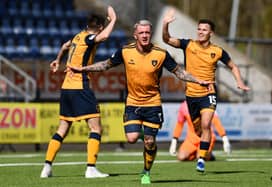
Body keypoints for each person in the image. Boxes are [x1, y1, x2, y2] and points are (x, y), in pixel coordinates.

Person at [68, 19, 213, 184]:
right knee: (131, 138)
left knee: (150, 143)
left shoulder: (161, 53)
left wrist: (198, 81)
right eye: (142, 33)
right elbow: (106, 64)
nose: (145, 35)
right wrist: (84, 68)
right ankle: (147, 137)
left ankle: (146, 171)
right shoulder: (125, 51)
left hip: (153, 103)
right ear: (135, 34)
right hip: (133, 103)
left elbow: (179, 72)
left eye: (147, 33)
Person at [162, 8, 250, 172]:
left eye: (204, 30)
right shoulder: (188, 44)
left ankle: (201, 159)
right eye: (199, 29)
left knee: (206, 124)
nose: (201, 32)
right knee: (198, 130)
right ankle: (206, 151)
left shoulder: (217, 51)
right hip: (191, 95)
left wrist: (239, 82)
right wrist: (165, 24)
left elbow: (233, 66)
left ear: (211, 33)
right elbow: (166, 39)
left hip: (208, 93)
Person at [40, 6, 117, 178]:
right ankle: (90, 168)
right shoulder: (90, 38)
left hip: (66, 88)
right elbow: (104, 37)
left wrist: (57, 60)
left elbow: (65, 45)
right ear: (99, 27)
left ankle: (47, 167)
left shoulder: (78, 36)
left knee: (62, 129)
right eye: (102, 27)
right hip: (80, 86)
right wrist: (114, 20)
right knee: (96, 127)